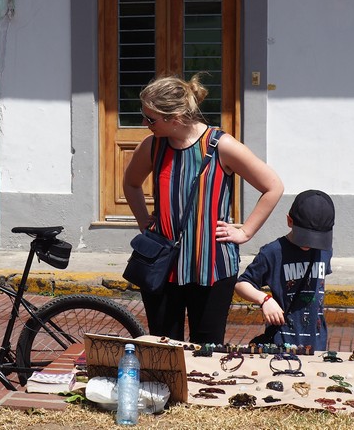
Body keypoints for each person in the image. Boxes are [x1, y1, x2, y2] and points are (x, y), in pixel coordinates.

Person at [123, 74, 283, 344]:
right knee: (164, 347)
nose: (144, 123)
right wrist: (144, 223)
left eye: (151, 119)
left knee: (208, 348)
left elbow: (273, 186)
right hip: (162, 265)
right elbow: (131, 183)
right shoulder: (153, 146)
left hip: (213, 267)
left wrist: (245, 232)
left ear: (175, 117)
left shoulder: (222, 145)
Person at [235, 190, 334, 351]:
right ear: (289, 221)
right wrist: (265, 300)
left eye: (316, 238)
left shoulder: (324, 250)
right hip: (281, 341)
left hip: (317, 344)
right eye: (305, 237)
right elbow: (242, 284)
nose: (310, 244)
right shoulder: (273, 252)